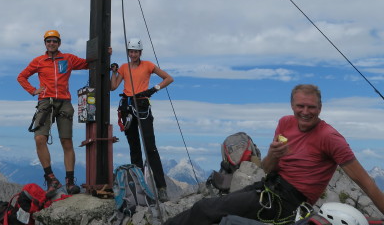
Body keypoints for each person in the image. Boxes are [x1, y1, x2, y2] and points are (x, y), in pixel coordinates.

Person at [165, 84, 384, 225]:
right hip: (268, 187)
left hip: (289, 202)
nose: (305, 112)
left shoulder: (330, 138)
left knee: (206, 208)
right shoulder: (285, 123)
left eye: (312, 107)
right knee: (207, 208)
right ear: (292, 105)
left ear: (320, 108)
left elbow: (366, 183)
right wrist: (272, 155)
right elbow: (268, 168)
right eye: (300, 106)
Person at [17, 30, 88, 197]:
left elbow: (88, 63)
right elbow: (21, 77)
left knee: (67, 141)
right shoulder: (39, 61)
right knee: (39, 138)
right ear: (45, 43)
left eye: (54, 41)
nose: (51, 44)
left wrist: (105, 54)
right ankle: (51, 179)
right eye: (48, 41)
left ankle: (70, 181)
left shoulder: (68, 59)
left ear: (59, 43)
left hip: (64, 102)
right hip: (45, 102)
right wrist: (33, 90)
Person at [110, 38, 174, 202]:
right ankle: (139, 187)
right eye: (131, 52)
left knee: (150, 147)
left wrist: (153, 89)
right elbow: (113, 86)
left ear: (140, 53)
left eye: (135, 52)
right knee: (134, 148)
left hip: (142, 106)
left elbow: (168, 78)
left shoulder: (148, 65)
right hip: (128, 108)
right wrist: (114, 71)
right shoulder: (124, 68)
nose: (133, 54)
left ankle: (161, 188)